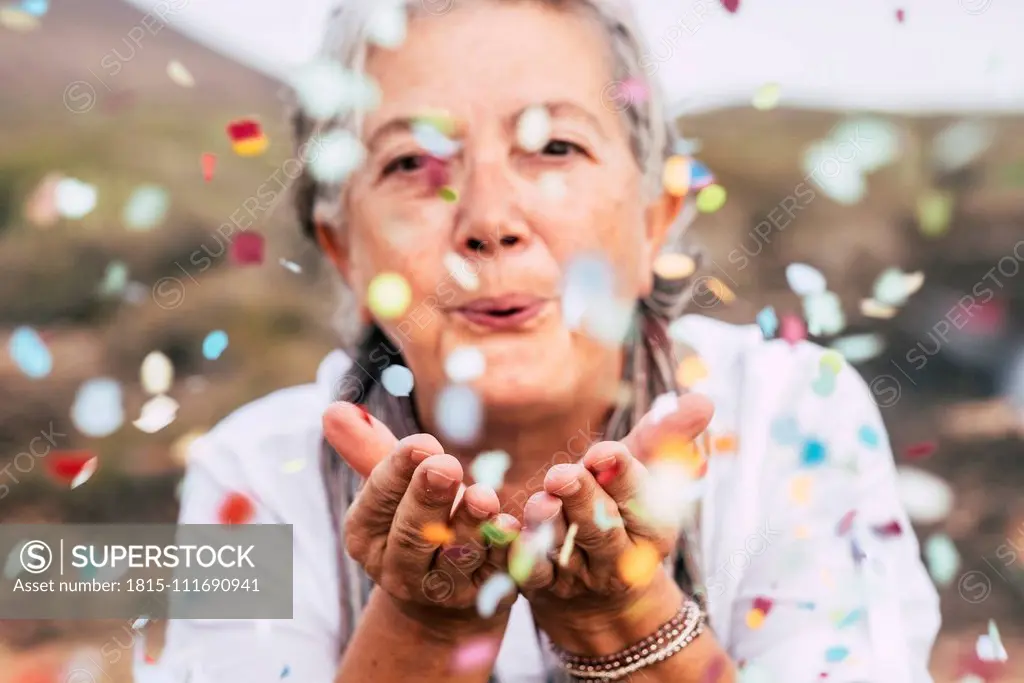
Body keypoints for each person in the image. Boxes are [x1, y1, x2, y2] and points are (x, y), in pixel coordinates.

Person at [148, 0, 941, 681]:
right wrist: (425, 629)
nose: (489, 219)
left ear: (655, 217)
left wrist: (629, 618)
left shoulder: (792, 413)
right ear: (344, 250)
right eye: (412, 161)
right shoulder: (250, 470)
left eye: (556, 147)